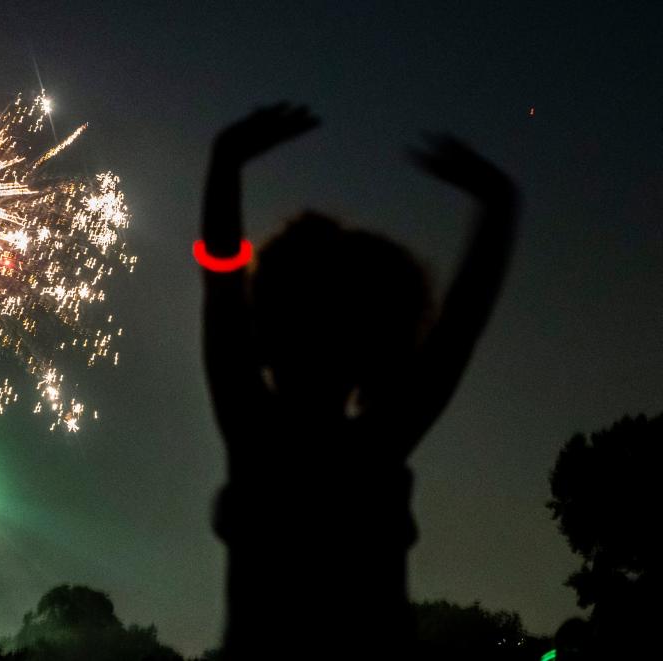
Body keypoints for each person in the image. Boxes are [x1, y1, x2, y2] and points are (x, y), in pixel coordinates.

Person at [199, 103, 520, 658]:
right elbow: (459, 327)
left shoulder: (254, 433)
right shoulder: (377, 446)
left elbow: (221, 280)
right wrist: (499, 211)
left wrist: (226, 164)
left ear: (264, 330)